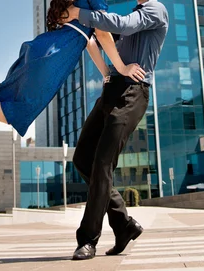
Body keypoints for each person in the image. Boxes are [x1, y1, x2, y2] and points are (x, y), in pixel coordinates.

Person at [0, 0, 147, 153]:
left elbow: (89, 40)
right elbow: (102, 34)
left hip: (44, 51)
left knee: (1, 105)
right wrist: (122, 68)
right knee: (14, 111)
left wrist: (106, 72)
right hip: (53, 59)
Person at [60, 0, 169, 261]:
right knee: (82, 158)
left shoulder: (156, 10)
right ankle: (124, 225)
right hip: (111, 89)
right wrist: (107, 71)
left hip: (134, 92)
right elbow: (100, 36)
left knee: (102, 164)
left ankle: (87, 240)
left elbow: (118, 24)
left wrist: (77, 12)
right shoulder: (135, 14)